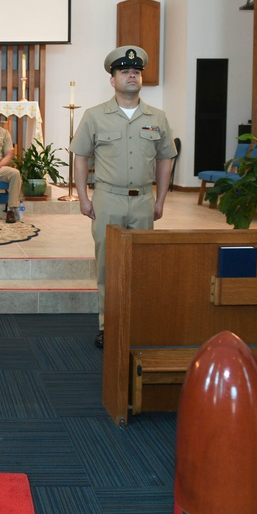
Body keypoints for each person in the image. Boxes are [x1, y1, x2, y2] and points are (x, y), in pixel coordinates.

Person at [70, 46, 176, 349]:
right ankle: (108, 324)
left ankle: (137, 321)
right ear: (113, 80)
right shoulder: (94, 116)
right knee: (107, 266)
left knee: (141, 264)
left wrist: (161, 200)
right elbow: (81, 156)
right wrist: (82, 196)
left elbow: (165, 158)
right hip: (107, 199)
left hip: (143, 199)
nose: (132, 75)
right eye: (125, 71)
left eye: (136, 71)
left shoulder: (157, 117)